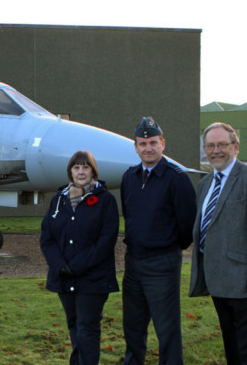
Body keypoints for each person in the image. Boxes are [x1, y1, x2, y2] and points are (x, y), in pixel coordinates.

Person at [120, 117, 197, 365]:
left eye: (153, 142)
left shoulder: (177, 178)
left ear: (163, 143)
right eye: (142, 144)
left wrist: (168, 247)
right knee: (132, 326)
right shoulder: (129, 177)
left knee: (167, 329)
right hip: (133, 264)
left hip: (162, 263)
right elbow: (129, 215)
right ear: (135, 147)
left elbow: (187, 224)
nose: (148, 148)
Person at [189, 122, 247, 364]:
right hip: (217, 280)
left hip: (245, 282)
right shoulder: (205, 183)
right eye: (210, 145)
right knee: (230, 342)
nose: (216, 150)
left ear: (236, 146)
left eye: (222, 144)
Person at [41, 150, 119, 365]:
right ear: (70, 172)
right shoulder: (59, 200)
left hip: (93, 279)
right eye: (76, 167)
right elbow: (46, 238)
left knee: (87, 328)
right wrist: (59, 265)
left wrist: (77, 266)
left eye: (85, 167)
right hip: (64, 277)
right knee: (74, 326)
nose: (81, 171)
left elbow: (105, 241)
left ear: (93, 171)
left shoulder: (105, 201)